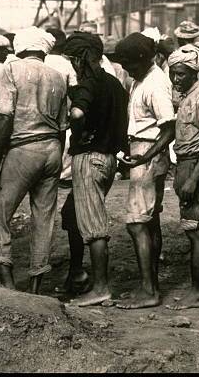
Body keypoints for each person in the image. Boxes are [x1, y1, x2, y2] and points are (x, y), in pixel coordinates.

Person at [0, 26, 67, 294]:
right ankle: (35, 287)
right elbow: (63, 126)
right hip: (52, 148)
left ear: (20, 47)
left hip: (23, 149)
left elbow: (5, 116)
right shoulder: (58, 76)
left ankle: (8, 287)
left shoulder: (12, 69)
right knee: (44, 218)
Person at [58, 32, 129, 305]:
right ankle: (77, 275)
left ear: (80, 58)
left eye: (74, 60)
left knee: (94, 226)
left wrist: (77, 127)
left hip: (89, 158)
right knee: (72, 213)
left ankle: (101, 288)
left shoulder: (89, 82)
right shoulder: (115, 83)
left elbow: (77, 113)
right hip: (108, 159)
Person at [113, 32, 176, 309]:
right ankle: (150, 285)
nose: (125, 68)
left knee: (136, 222)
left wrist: (143, 159)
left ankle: (148, 290)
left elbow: (169, 128)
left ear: (143, 59)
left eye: (129, 63)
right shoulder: (142, 79)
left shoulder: (155, 84)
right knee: (149, 221)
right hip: (143, 151)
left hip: (148, 153)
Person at [165, 47, 199, 310]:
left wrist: (193, 179)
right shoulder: (188, 96)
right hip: (186, 164)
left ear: (194, 72)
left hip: (194, 166)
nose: (176, 79)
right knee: (192, 230)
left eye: (181, 74)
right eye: (173, 74)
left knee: (195, 231)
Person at [44, 27, 78, 186]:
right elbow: (73, 91)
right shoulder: (68, 65)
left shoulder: (40, 61)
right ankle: (61, 176)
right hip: (61, 114)